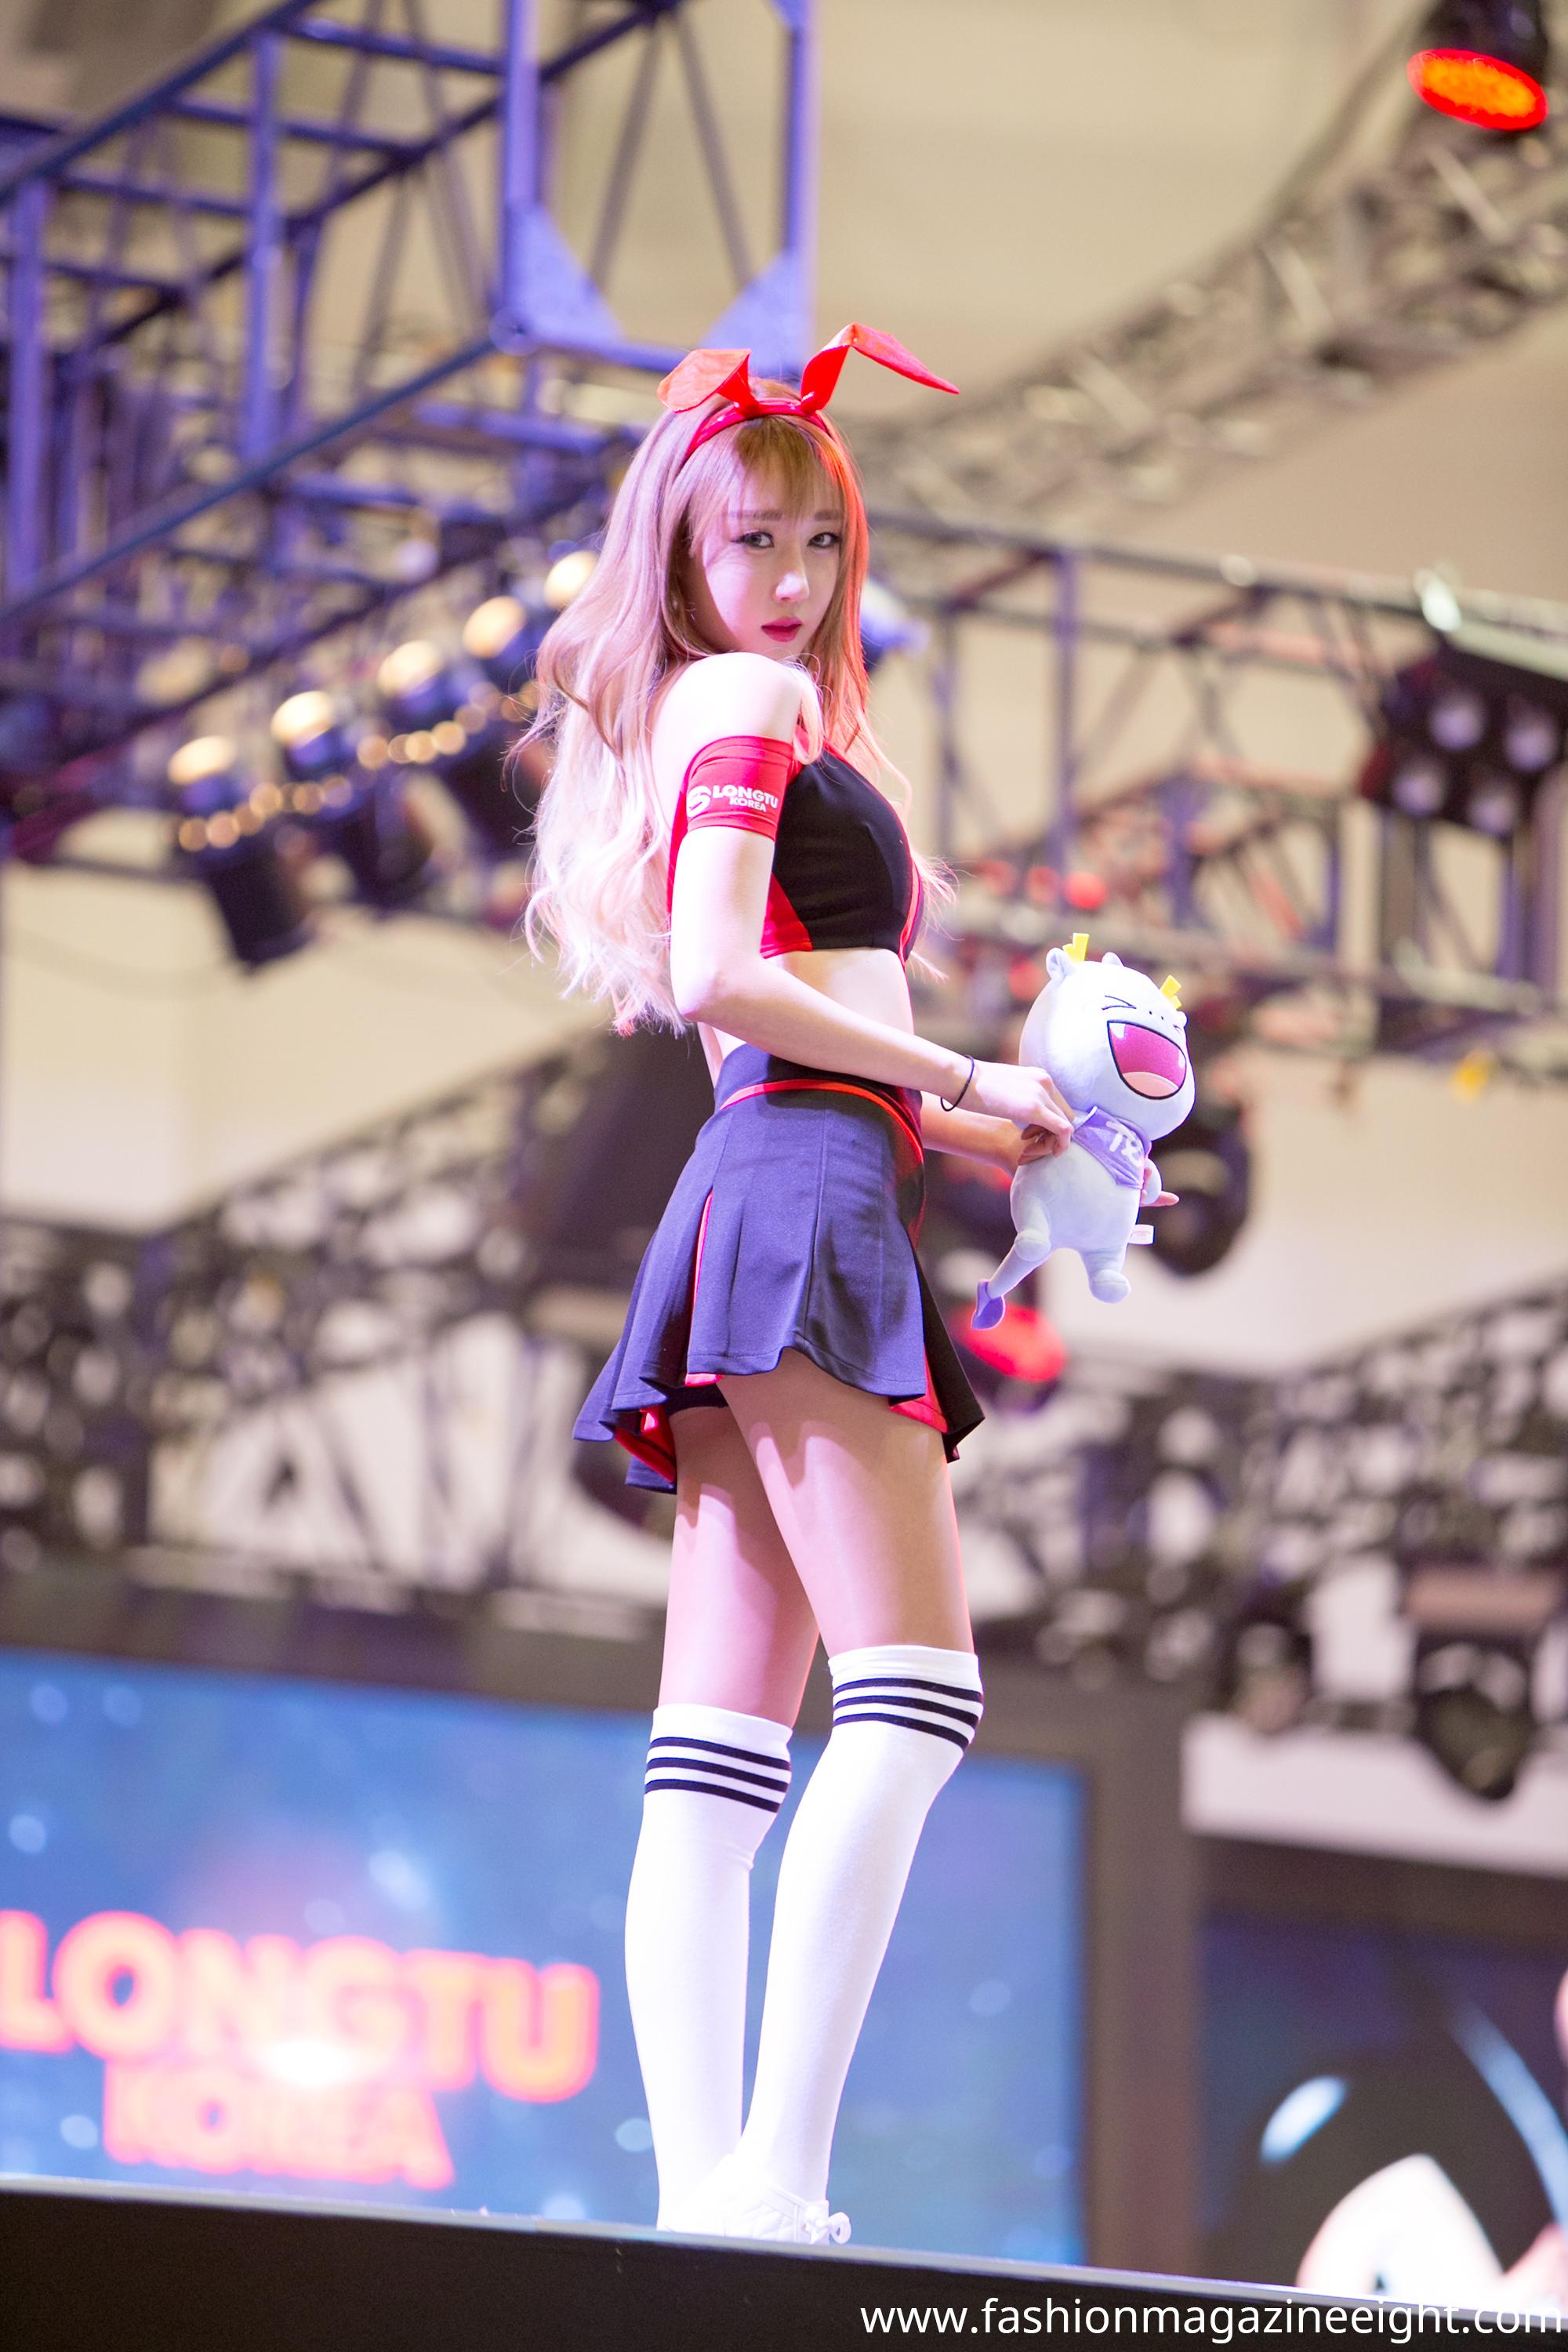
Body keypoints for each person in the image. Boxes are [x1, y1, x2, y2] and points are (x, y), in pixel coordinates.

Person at [524, 323, 1073, 2246]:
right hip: (808, 1192)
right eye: (751, 539)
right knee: (913, 1701)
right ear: (680, 551)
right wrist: (964, 1072)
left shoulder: (713, 710)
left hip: (780, 1179)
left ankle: (712, 2203)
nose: (792, 578)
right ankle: (772, 2182)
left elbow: (789, 1014)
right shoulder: (746, 696)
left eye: (820, 542)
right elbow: (715, 974)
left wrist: (988, 1120)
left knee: (718, 1757)